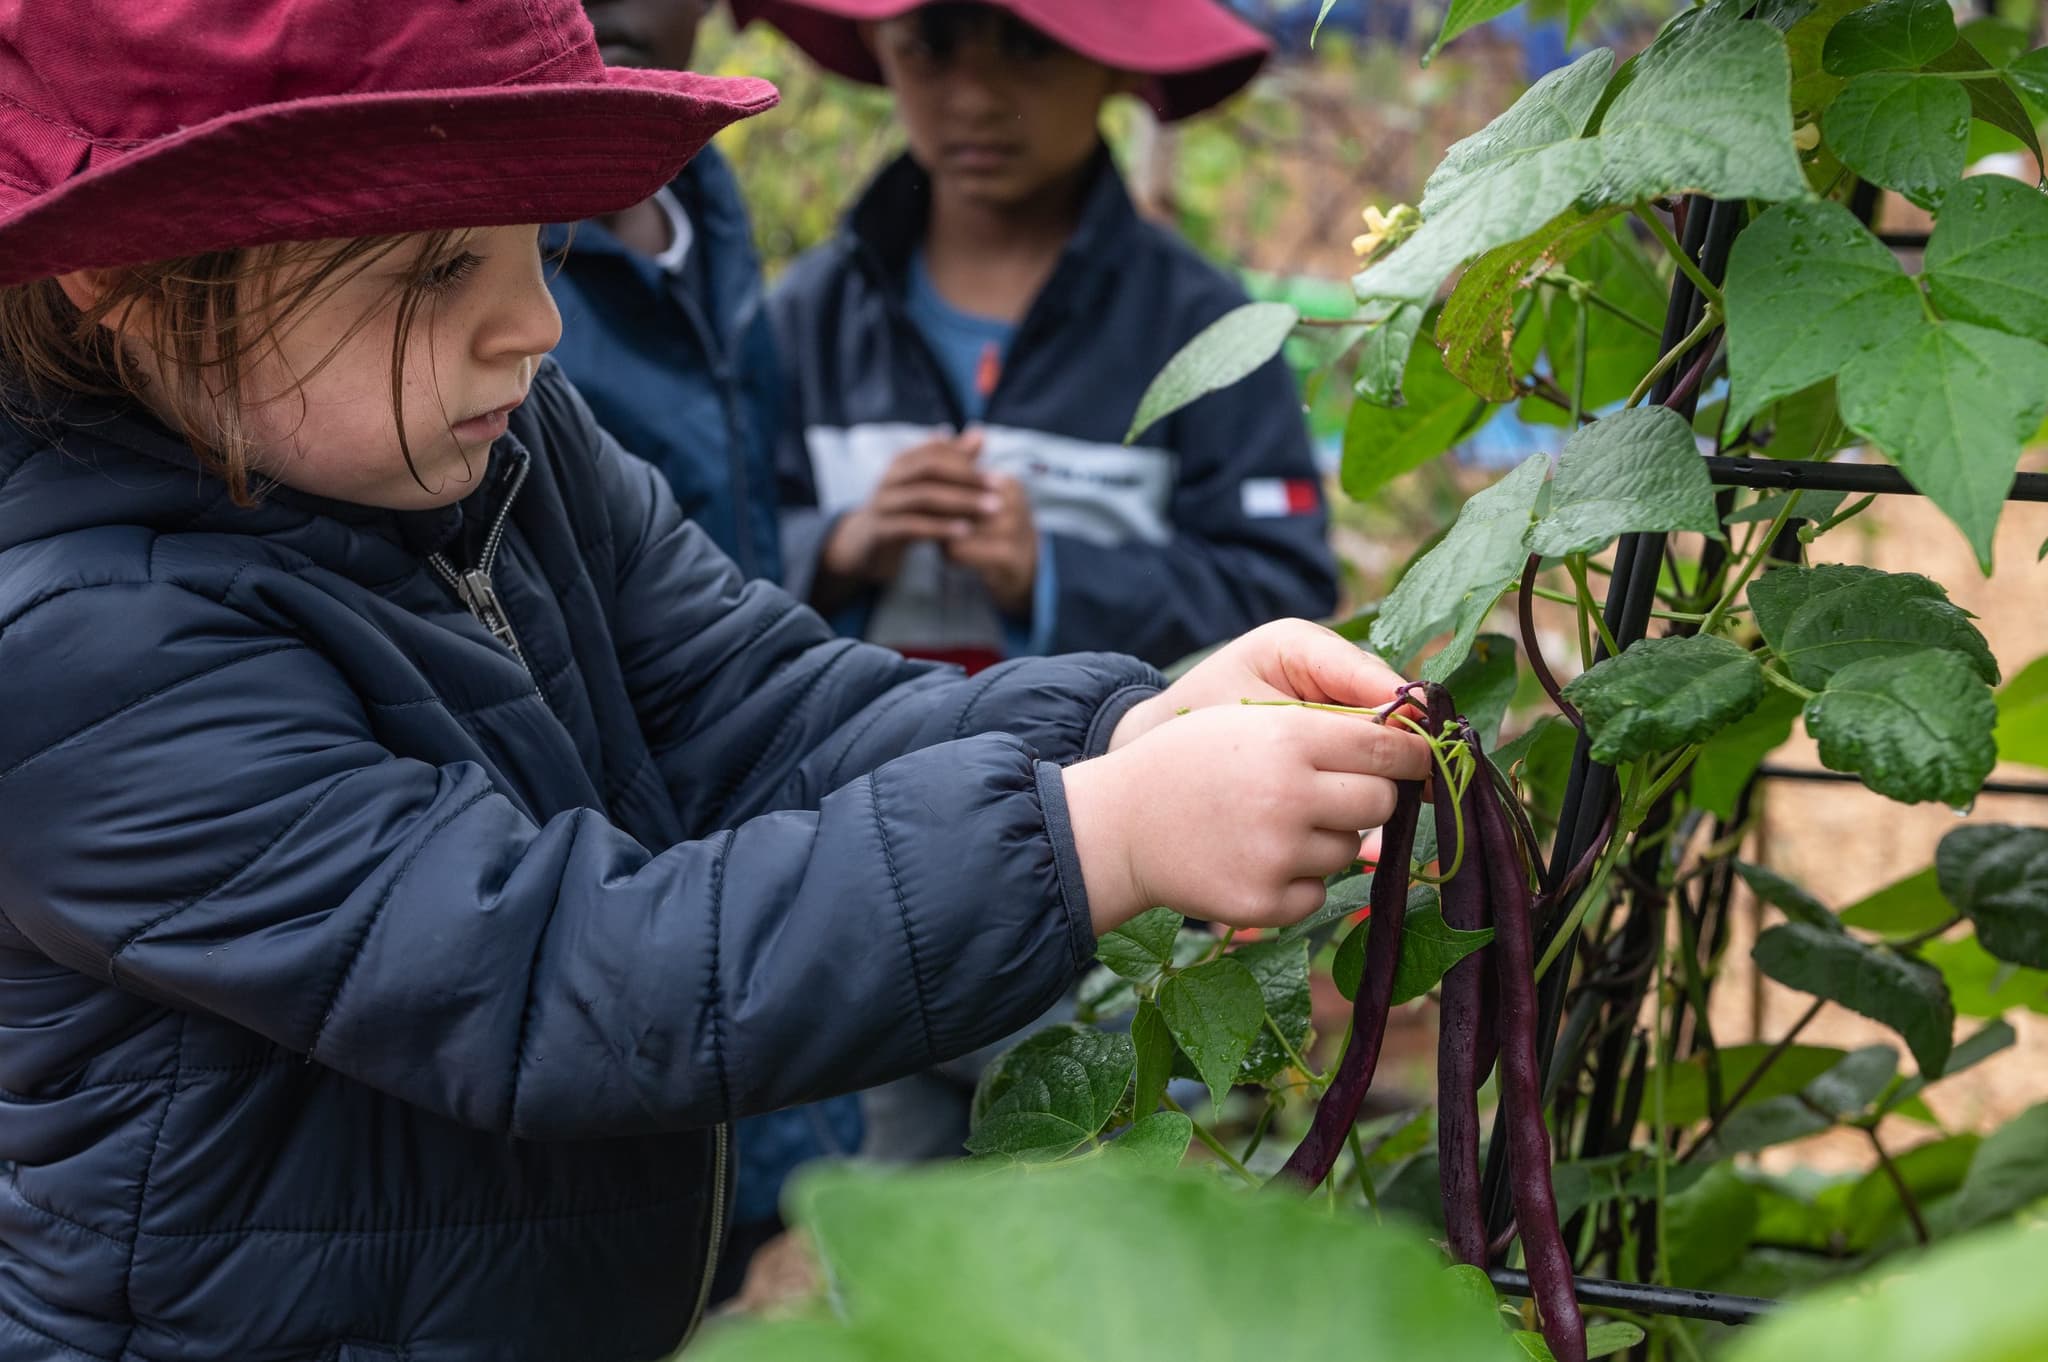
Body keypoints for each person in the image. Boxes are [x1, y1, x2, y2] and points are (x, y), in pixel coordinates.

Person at [0, 2, 1428, 1357]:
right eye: (438, 271)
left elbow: (759, 702)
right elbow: (552, 976)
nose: (537, 324)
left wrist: (1117, 730)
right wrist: (1094, 837)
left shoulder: (494, 446)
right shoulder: (82, 650)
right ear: (130, 281)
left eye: (537, 245)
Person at [733, 0, 1338, 675]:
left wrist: (1053, 574)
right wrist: (840, 547)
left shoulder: (1208, 333)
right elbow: (703, 565)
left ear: (1117, 65)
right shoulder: (806, 319)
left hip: (1119, 746)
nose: (975, 98)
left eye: (1030, 48)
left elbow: (1284, 596)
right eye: (930, 46)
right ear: (878, 42)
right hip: (842, 744)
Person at [545, 0, 858, 1298]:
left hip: (736, 939)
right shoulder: (484, 254)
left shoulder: (704, 210)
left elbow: (733, 660)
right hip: (592, 968)